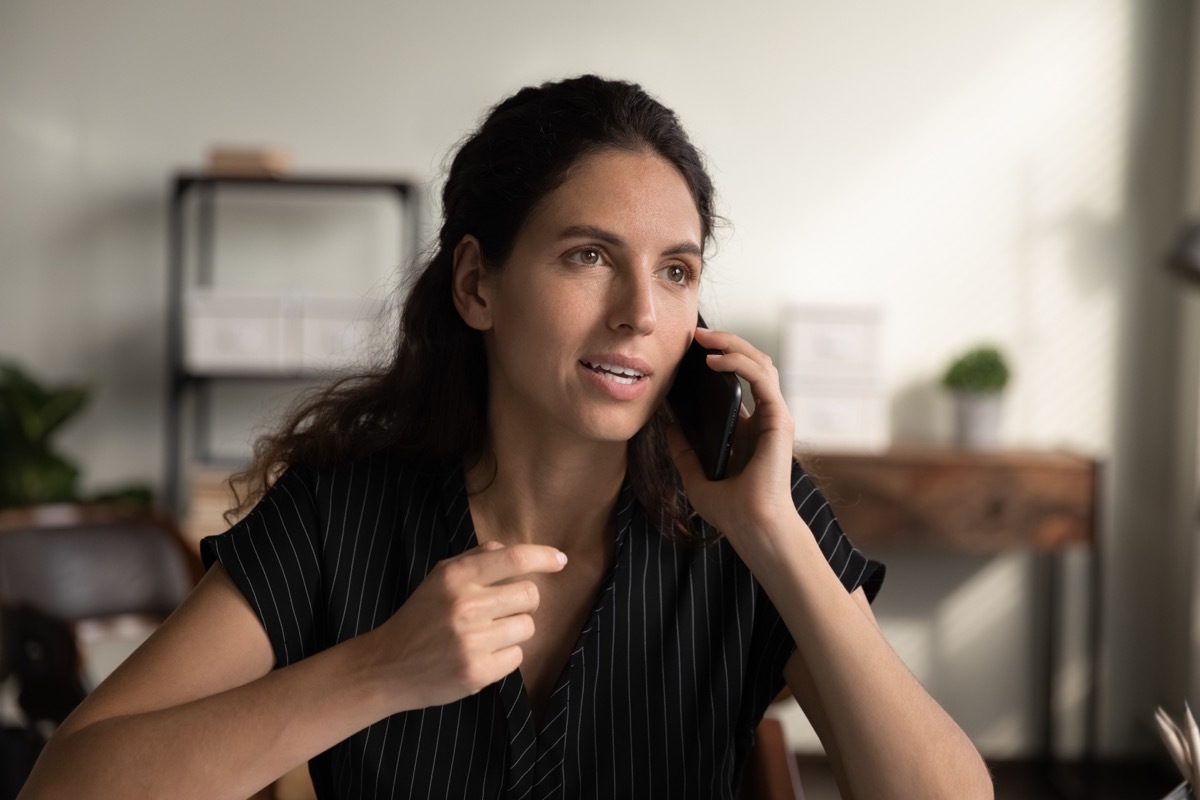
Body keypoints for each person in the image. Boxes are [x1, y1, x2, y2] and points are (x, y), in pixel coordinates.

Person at [19, 75, 992, 799]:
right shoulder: (342, 510)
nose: (639, 314)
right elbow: (67, 785)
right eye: (589, 257)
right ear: (478, 283)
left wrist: (779, 538)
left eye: (678, 270)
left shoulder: (751, 517)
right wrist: (376, 668)